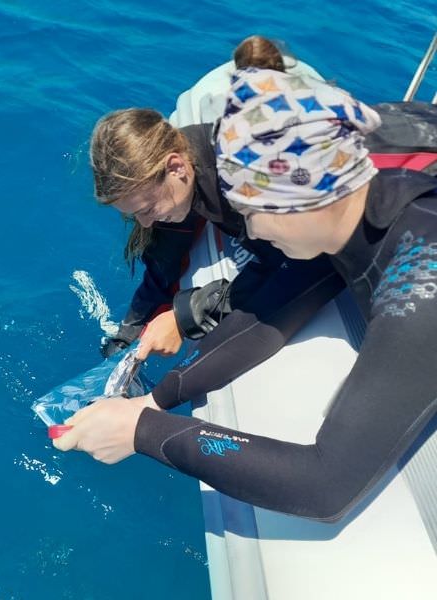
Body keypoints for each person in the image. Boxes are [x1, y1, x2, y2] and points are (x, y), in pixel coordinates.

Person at [56, 68, 437, 521]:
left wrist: (142, 430)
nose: (249, 231)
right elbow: (274, 305)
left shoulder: (420, 283)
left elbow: (324, 486)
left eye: (252, 210)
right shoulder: (344, 203)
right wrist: (157, 396)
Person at [100, 36, 329, 362]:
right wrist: (127, 333)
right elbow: (163, 263)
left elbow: (291, 264)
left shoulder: (243, 182)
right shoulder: (182, 180)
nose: (144, 221)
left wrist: (183, 319)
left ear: (176, 167)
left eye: (147, 209)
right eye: (133, 214)